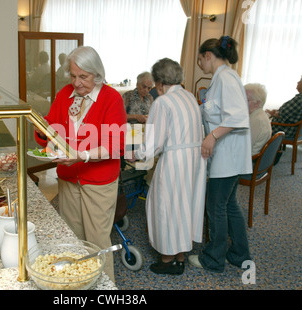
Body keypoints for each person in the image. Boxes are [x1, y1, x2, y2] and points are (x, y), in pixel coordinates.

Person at [34, 46, 127, 282]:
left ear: (97, 74)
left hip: (98, 181)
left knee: (97, 242)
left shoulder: (111, 98)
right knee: (72, 239)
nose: (76, 83)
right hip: (68, 178)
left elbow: (115, 146)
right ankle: (76, 285)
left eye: (83, 77)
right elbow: (53, 128)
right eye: (73, 76)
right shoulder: (65, 94)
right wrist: (44, 132)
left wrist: (80, 155)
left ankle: (105, 287)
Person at [128, 58, 207, 275]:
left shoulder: (162, 103)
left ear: (160, 81)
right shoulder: (189, 95)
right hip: (193, 158)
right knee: (183, 206)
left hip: (175, 160)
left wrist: (135, 155)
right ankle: (180, 256)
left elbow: (154, 142)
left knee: (165, 206)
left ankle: (167, 259)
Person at [188, 36, 253, 273]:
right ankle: (239, 254)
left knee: (216, 205)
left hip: (228, 156)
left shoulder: (226, 78)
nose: (200, 66)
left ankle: (213, 260)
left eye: (200, 60)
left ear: (208, 55)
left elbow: (237, 117)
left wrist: (212, 136)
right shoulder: (221, 79)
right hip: (229, 157)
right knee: (230, 206)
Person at [266, 74, 302, 138]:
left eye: (300, 81)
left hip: (285, 129)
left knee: (259, 126)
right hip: (297, 130)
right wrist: (276, 112)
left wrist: (272, 113)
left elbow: (281, 115)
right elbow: (290, 112)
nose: (298, 82)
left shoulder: (299, 99)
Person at [245, 83, 272, 155]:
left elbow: (245, 146)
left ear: (257, 103)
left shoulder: (257, 120)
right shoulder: (258, 114)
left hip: (246, 159)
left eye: (246, 99)